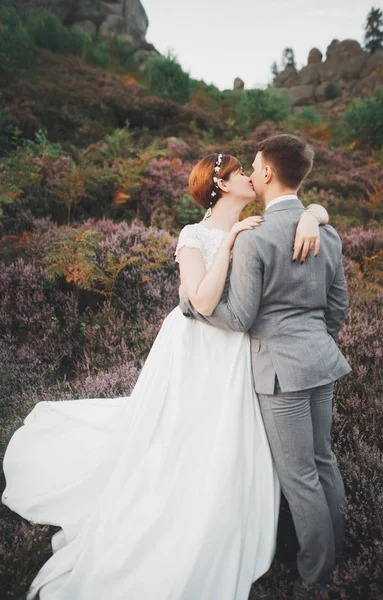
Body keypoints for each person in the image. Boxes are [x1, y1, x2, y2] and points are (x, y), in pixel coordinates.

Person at [2, 148, 328, 600]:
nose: (252, 179)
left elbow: (299, 206)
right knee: (184, 432)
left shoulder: (259, 226)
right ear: (222, 185)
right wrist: (230, 241)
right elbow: (204, 301)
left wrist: (313, 212)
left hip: (238, 348)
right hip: (199, 345)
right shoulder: (194, 234)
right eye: (241, 174)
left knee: (233, 437)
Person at [180, 134, 352, 600]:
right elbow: (338, 307)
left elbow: (238, 316)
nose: (252, 175)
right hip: (322, 361)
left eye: (255, 167)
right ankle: (338, 558)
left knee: (299, 476)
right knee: (324, 462)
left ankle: (317, 579)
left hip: (280, 371)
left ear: (270, 173)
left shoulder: (255, 239)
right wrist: (314, 339)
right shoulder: (327, 233)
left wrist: (193, 308)